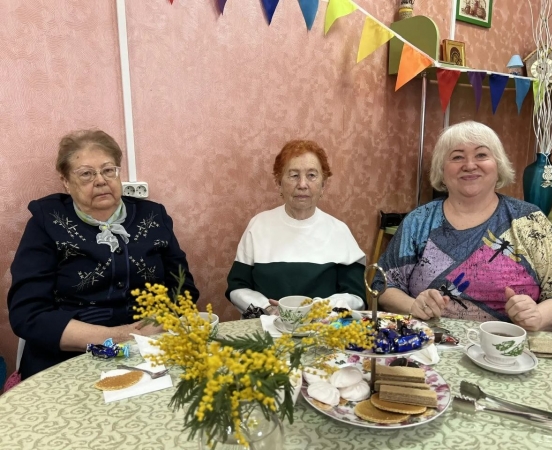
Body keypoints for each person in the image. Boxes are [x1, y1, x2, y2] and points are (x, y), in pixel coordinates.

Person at [8, 130, 199, 379]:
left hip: (150, 348)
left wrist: (157, 324)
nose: (100, 181)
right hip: (70, 357)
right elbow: (28, 314)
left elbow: (184, 290)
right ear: (65, 181)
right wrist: (121, 336)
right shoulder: (47, 222)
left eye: (108, 170)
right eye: (86, 173)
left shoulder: (153, 215)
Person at [373, 121, 552, 334]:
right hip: (431, 344)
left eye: (481, 155)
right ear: (442, 170)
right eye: (457, 157)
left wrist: (538, 316)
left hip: (510, 347)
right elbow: (383, 285)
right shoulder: (419, 220)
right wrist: (413, 306)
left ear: (498, 166)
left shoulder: (529, 221)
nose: (470, 165)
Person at [226, 140, 366, 315]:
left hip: (323, 327)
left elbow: (356, 297)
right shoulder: (258, 226)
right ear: (279, 183)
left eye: (311, 175)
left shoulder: (339, 231)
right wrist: (267, 308)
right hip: (266, 327)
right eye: (293, 175)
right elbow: (237, 288)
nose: (302, 184)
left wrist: (319, 308)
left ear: (323, 185)